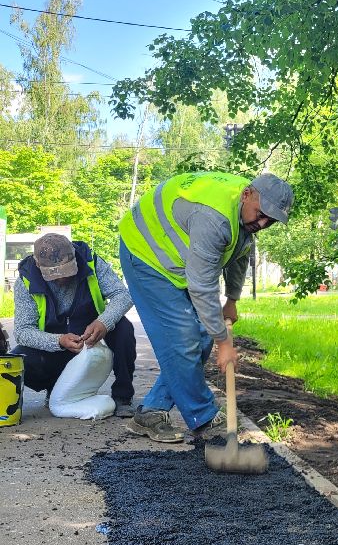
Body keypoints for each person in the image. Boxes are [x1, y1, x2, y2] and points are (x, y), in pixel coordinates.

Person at [118, 171, 293, 443]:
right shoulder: (214, 217)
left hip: (176, 261)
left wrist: (232, 300)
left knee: (200, 336)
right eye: (260, 214)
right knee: (182, 338)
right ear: (247, 194)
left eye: (270, 220)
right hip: (145, 254)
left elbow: (238, 253)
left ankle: (151, 412)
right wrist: (224, 343)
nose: (262, 223)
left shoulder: (243, 216)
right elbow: (201, 286)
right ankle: (204, 418)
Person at [13, 234, 137, 416]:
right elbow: (23, 331)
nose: (61, 280)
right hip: (55, 345)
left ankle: (122, 396)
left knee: (124, 328)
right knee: (19, 358)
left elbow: (122, 295)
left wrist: (104, 322)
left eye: (66, 272)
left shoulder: (92, 263)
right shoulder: (25, 281)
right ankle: (55, 387)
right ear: (38, 265)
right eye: (54, 275)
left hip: (91, 339)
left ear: (74, 256)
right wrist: (59, 341)